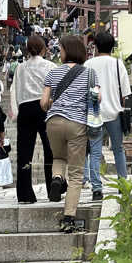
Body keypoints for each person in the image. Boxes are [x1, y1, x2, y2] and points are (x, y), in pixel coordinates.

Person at [40, 34, 100, 232]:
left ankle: (57, 179)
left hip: (53, 122)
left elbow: (43, 104)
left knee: (58, 157)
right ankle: (68, 218)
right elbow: (98, 98)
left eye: (61, 49)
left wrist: (52, 104)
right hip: (77, 124)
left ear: (66, 52)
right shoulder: (90, 74)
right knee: (75, 174)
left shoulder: (53, 73)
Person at [83, 29, 130, 202]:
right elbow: (124, 93)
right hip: (115, 113)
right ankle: (123, 185)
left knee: (94, 153)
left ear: (95, 46)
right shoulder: (118, 64)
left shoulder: (88, 65)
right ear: (112, 47)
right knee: (118, 150)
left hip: (94, 114)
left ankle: (97, 188)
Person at [10, 33, 53, 203]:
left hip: (26, 107)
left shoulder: (20, 67)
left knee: (24, 151)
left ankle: (25, 193)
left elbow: (17, 89)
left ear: (27, 49)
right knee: (50, 148)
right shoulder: (50, 66)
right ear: (43, 48)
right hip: (44, 107)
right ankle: (52, 187)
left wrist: (19, 107)